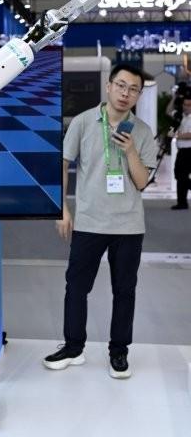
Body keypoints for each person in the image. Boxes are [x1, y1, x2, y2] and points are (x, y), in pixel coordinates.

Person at [44, 64, 158, 379]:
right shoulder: (83, 122)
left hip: (128, 226)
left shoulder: (142, 131)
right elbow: (62, 163)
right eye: (121, 85)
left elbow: (141, 182)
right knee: (76, 287)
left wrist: (130, 151)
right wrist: (63, 210)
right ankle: (73, 347)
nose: (125, 93)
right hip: (89, 221)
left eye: (133, 89)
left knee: (125, 290)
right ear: (108, 86)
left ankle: (119, 352)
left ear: (138, 95)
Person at [171, 94, 191, 210]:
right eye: (185, 104)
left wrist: (176, 135)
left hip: (189, 151)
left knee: (182, 176)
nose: (186, 107)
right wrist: (174, 96)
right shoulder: (180, 116)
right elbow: (168, 111)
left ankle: (182, 202)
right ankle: (182, 203)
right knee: (179, 175)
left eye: (189, 105)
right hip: (181, 151)